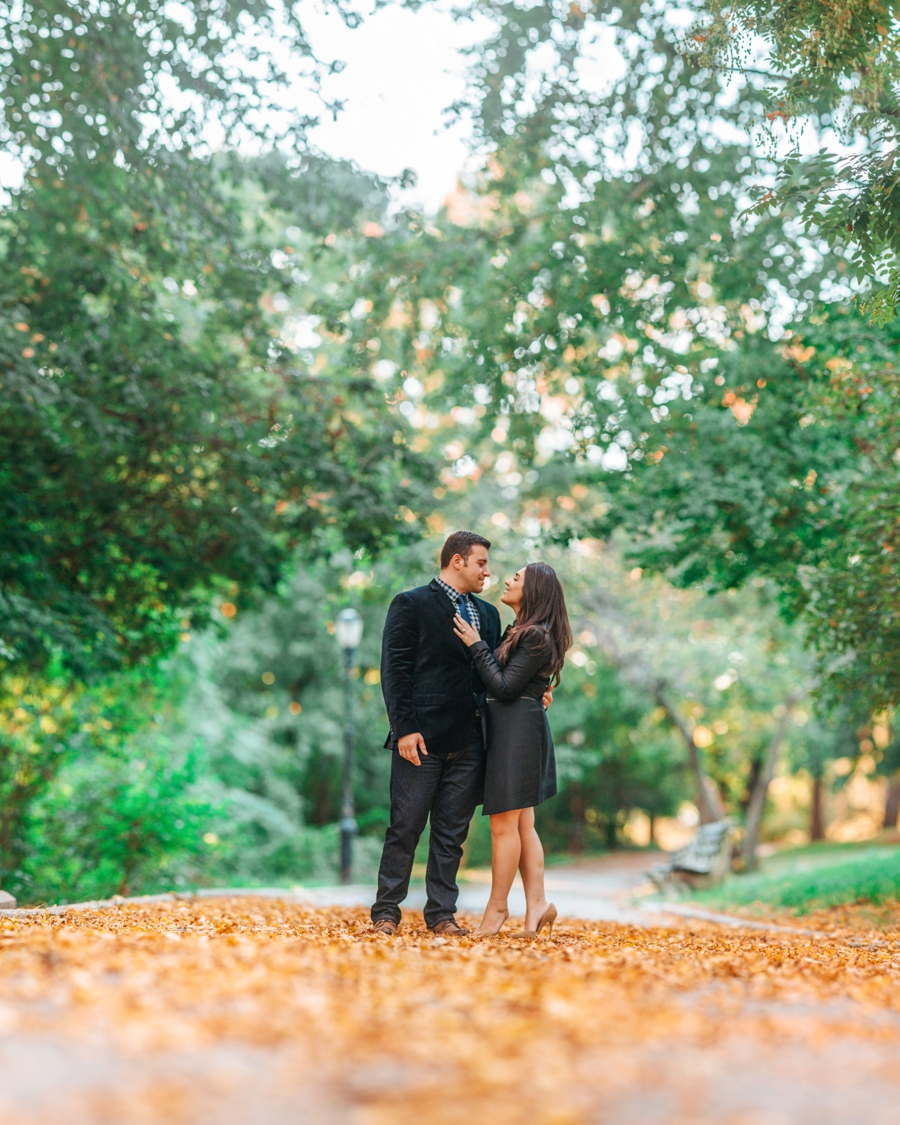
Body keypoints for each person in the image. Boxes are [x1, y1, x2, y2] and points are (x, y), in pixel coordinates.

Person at [369, 531, 502, 937]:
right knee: (405, 827)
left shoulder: (490, 614)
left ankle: (442, 914)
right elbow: (395, 671)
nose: (487, 571)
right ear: (457, 561)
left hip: (471, 740)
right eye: (481, 563)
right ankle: (386, 912)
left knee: (451, 834)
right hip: (420, 740)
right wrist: (404, 728)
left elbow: (495, 673)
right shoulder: (411, 603)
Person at [452, 561, 572, 938]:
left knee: (504, 826)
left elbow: (502, 687)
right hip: (515, 728)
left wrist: (475, 645)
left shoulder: (536, 634)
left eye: (516, 578)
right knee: (522, 824)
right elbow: (516, 681)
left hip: (517, 732)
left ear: (532, 590)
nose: (506, 579)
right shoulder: (523, 631)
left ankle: (498, 908)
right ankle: (537, 905)